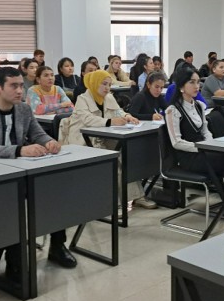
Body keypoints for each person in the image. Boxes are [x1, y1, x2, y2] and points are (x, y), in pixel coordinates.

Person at [0, 67, 75, 273]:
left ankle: (58, 246)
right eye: (13, 86)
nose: (19, 91)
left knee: (54, 190)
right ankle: (13, 258)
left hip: (21, 171)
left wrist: (49, 142)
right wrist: (19, 150)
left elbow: (37, 134)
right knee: (12, 205)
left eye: (21, 86)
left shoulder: (23, 109)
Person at [59, 70, 156, 209]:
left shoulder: (109, 97)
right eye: (104, 84)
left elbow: (118, 111)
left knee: (126, 156)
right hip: (83, 140)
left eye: (109, 85)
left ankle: (137, 196)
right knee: (110, 162)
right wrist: (110, 122)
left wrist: (127, 116)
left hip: (104, 136)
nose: (107, 88)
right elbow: (87, 119)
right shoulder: (82, 99)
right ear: (95, 83)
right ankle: (113, 203)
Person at [165, 66, 224, 221]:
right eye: (192, 82)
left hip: (205, 152)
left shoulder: (199, 105)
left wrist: (212, 146)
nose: (197, 86)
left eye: (198, 82)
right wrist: (202, 148)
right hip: (189, 157)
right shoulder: (173, 110)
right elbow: (176, 142)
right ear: (181, 87)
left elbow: (206, 132)